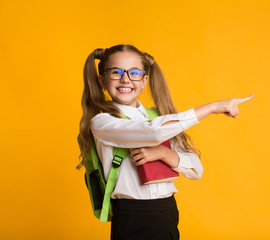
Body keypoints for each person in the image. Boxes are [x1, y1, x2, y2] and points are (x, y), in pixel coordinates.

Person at [77, 44, 254, 240]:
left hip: (167, 210)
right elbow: (152, 133)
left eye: (134, 73)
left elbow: (196, 169)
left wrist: (163, 154)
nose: (125, 79)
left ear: (144, 81)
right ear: (102, 80)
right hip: (131, 214)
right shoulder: (102, 122)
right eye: (116, 72)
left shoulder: (161, 118)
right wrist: (211, 108)